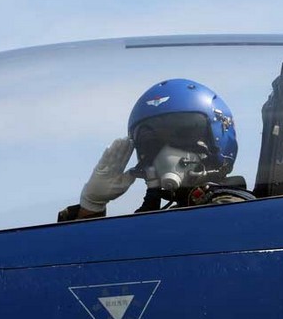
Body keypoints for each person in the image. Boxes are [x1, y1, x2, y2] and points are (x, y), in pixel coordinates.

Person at [58, 79, 253, 222]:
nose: (164, 153)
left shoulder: (233, 211)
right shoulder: (166, 220)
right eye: (152, 143)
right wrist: (91, 206)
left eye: (183, 134)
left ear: (217, 138)